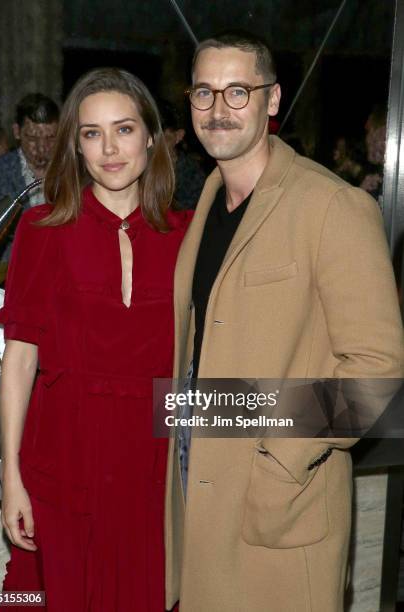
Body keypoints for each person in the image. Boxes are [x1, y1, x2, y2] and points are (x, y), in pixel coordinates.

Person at [164, 33, 403, 612]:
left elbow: (377, 372)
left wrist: (283, 455)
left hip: (281, 504)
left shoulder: (333, 206)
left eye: (238, 91)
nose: (219, 109)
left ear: (273, 101)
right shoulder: (204, 206)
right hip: (198, 496)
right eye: (204, 92)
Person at [0, 67, 192, 611]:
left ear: (151, 136)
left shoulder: (186, 235)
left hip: (149, 472)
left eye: (124, 129)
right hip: (62, 461)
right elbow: (20, 358)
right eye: (91, 133)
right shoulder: (43, 230)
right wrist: (11, 476)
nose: (109, 148)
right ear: (75, 147)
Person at [0, 93, 59, 217]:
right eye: (32, 138)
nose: (41, 148)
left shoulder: (73, 171)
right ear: (17, 132)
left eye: (50, 138)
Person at [158, 99, 206, 209]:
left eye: (161, 133)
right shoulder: (138, 168)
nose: (152, 140)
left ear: (178, 136)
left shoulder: (191, 175)